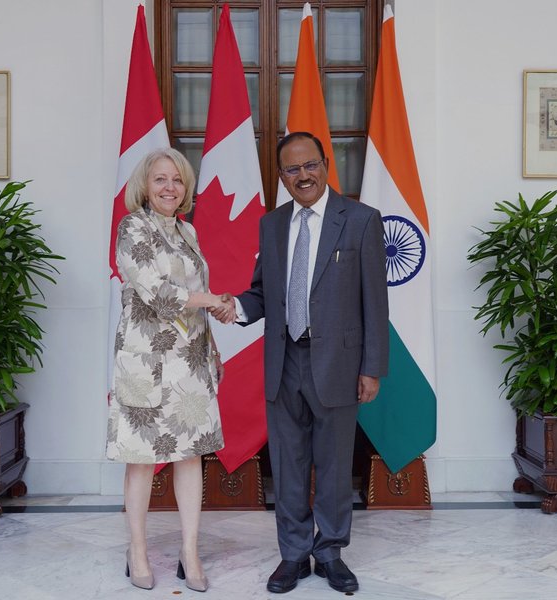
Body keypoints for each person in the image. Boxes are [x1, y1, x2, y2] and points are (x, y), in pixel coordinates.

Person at [212, 132, 389, 594]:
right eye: (292, 169)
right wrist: (236, 307)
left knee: (334, 464)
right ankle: (292, 554)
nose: (303, 175)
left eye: (310, 165)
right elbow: (262, 291)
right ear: (282, 176)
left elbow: (376, 301)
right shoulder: (272, 225)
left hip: (340, 363)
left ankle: (329, 553)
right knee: (288, 463)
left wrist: (372, 367)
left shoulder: (361, 220)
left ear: (326, 164)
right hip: (284, 359)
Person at [106, 147, 236, 592]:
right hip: (146, 360)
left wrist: (212, 341)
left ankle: (190, 551)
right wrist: (212, 300)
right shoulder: (131, 227)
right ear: (145, 186)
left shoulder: (187, 231)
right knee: (142, 459)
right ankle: (137, 551)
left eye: (178, 180)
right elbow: (155, 291)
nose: (170, 187)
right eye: (160, 179)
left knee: (190, 454)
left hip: (191, 361)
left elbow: (196, 294)